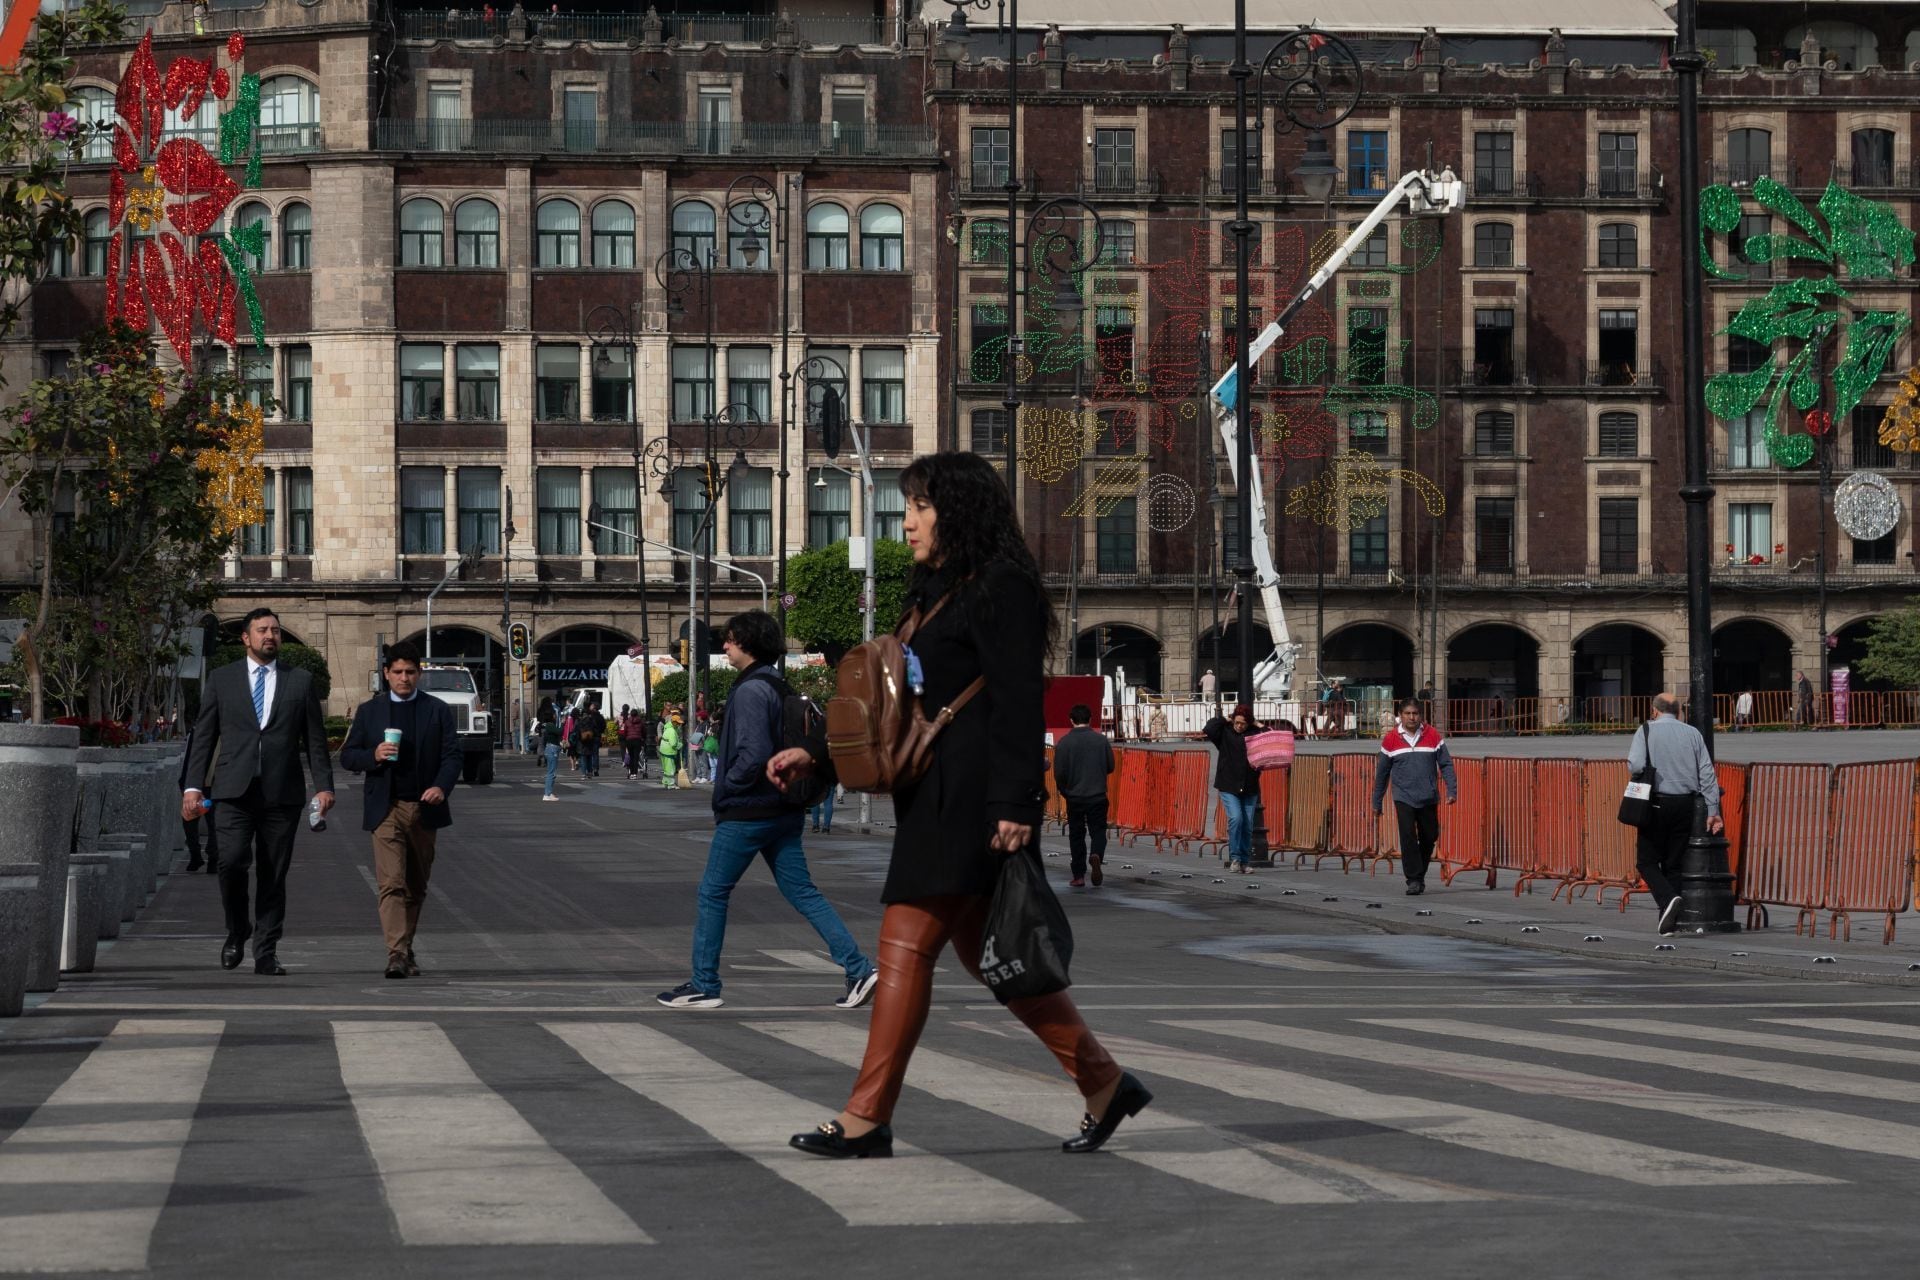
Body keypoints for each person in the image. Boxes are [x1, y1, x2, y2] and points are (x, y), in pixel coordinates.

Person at [774, 451, 1149, 1160]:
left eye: (920, 505)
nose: (907, 520)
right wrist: (819, 756)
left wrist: (1017, 803)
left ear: (961, 510)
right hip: (934, 796)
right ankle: (1104, 1082)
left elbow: (1014, 701)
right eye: (907, 505)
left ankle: (866, 1116)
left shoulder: (1001, 587)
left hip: (973, 802)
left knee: (905, 945)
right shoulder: (933, 593)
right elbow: (897, 709)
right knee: (996, 960)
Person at [655, 610, 877, 1012]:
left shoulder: (751, 690)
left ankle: (705, 984)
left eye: (731, 639)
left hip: (750, 809)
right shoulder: (776, 683)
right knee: (802, 891)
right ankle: (858, 968)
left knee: (712, 893)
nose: (724, 645)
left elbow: (754, 753)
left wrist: (729, 788)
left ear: (749, 643)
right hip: (782, 808)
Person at [181, 608, 334, 976]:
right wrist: (192, 786)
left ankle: (266, 951)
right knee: (230, 862)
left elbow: (315, 741)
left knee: (273, 873)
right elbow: (204, 736)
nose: (271, 636)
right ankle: (237, 929)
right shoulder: (222, 680)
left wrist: (324, 787)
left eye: (276, 631)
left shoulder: (300, 681)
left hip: (282, 795)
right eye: (263, 630)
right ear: (245, 638)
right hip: (233, 791)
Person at [338, 642, 463, 979]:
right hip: (386, 808)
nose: (404, 678)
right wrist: (373, 755)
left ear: (418, 674)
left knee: (415, 886)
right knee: (391, 883)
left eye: (410, 672)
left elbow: (452, 756)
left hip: (425, 809)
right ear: (386, 674)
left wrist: (441, 786)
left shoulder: (436, 710)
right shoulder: (370, 712)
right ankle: (396, 954)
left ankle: (405, 946)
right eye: (397, 672)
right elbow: (348, 756)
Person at [1627, 692, 1725, 935]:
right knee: (1674, 864)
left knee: (1647, 860)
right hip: (1685, 805)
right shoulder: (1693, 733)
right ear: (1680, 712)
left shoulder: (1646, 730)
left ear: (1654, 710)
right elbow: (1707, 774)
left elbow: (1636, 765)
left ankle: (1668, 898)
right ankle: (1667, 923)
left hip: (1656, 803)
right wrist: (1713, 810)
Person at [1370, 698, 1458, 896]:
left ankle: (1419, 874)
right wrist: (1377, 801)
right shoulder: (1391, 739)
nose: (1412, 717)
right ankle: (1414, 880)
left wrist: (1452, 790)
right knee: (1408, 837)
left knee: (1429, 835)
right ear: (1400, 716)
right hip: (1404, 797)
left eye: (1415, 713)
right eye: (1408, 713)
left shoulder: (1433, 735)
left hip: (1428, 796)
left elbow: (1446, 764)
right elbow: (1382, 773)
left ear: (1421, 715)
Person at [1051, 703, 1115, 888]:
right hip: (1097, 795)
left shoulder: (1064, 743)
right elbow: (1110, 766)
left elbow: (1059, 773)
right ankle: (1096, 855)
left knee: (1076, 835)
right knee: (1098, 830)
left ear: (1071, 720)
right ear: (1090, 719)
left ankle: (1078, 875)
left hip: (1075, 797)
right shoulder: (1101, 741)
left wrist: (1065, 791)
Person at [1203, 702, 1264, 873]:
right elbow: (1209, 728)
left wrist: (1257, 724)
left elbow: (1270, 737)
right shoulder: (1225, 733)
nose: (1239, 726)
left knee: (1247, 824)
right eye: (1237, 722)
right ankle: (1235, 858)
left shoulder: (1254, 733)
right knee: (1236, 819)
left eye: (1243, 723)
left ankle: (1245, 861)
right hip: (1228, 785)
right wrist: (1225, 719)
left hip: (1249, 786)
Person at [574, 695, 605, 779]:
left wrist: (578, 738)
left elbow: (576, 729)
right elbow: (599, 727)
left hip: (582, 739)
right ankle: (591, 771)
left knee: (583, 756)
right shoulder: (593, 718)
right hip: (592, 738)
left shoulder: (580, 719)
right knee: (591, 755)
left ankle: (584, 773)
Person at [539, 703, 563, 800]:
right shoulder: (549, 725)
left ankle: (549, 792)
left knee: (552, 772)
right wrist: (563, 723)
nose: (555, 716)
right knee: (551, 772)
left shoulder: (547, 725)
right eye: (554, 714)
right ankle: (547, 794)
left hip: (551, 748)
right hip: (552, 749)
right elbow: (559, 731)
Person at [619, 704, 647, 779]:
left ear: (630, 714)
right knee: (636, 757)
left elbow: (624, 732)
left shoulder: (627, 722)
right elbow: (644, 731)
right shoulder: (640, 722)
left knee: (631, 756)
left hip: (629, 740)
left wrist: (625, 738)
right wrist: (643, 738)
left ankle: (631, 773)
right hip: (637, 740)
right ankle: (635, 773)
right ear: (637, 714)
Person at [658, 707, 682, 788]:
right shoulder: (672, 731)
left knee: (666, 768)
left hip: (663, 750)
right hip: (669, 751)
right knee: (671, 768)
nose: (679, 725)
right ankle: (671, 784)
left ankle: (665, 782)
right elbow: (673, 743)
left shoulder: (667, 727)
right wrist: (679, 745)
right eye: (678, 723)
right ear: (674, 722)